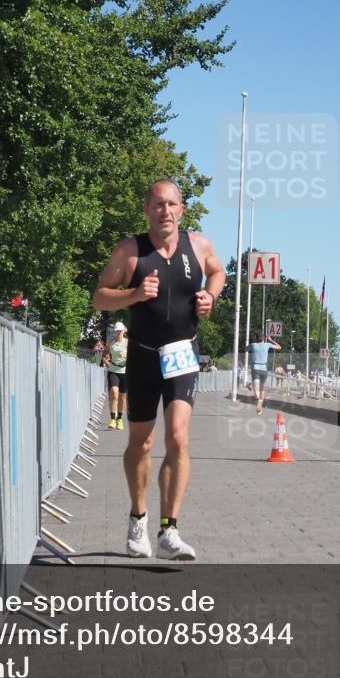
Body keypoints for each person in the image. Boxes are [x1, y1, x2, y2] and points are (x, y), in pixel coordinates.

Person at [93, 179, 225, 560]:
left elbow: (217, 272)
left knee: (179, 438)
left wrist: (210, 296)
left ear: (181, 210)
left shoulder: (198, 246)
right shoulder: (130, 251)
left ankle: (169, 530)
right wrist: (133, 295)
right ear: (147, 210)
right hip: (144, 355)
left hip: (183, 354)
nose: (165, 211)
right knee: (142, 443)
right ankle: (138, 519)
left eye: (172, 204)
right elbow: (99, 295)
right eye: (158, 204)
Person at [247, 334, 282, 414]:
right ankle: (260, 402)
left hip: (256, 368)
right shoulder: (267, 344)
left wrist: (252, 342)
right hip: (264, 369)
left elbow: (246, 348)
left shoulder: (253, 345)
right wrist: (271, 340)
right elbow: (279, 347)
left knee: (256, 391)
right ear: (263, 339)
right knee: (262, 389)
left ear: (257, 339)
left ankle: (259, 400)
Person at [105, 322, 128, 430]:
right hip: (113, 370)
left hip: (125, 371)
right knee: (114, 392)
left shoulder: (128, 343)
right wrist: (106, 362)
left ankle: (119, 419)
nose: (118, 333)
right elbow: (104, 355)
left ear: (124, 331)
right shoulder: (111, 343)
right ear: (114, 332)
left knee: (122, 397)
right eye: (117, 331)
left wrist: (127, 354)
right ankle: (112, 419)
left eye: (120, 331)